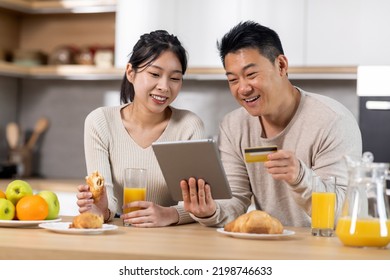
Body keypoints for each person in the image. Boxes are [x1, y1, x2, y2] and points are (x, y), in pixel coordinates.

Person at [180, 21, 362, 227]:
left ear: (281, 65)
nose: (243, 88)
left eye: (251, 75)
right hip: (269, 243)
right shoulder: (234, 125)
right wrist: (211, 211)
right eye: (233, 79)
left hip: (324, 248)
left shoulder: (332, 121)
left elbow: (342, 213)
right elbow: (236, 199)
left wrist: (301, 177)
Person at [76, 30, 205, 227]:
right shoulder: (100, 121)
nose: (164, 86)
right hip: (121, 235)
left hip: (174, 237)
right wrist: (101, 209)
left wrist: (170, 214)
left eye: (175, 78)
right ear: (130, 72)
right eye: (154, 74)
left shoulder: (188, 126)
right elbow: (107, 200)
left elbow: (199, 202)